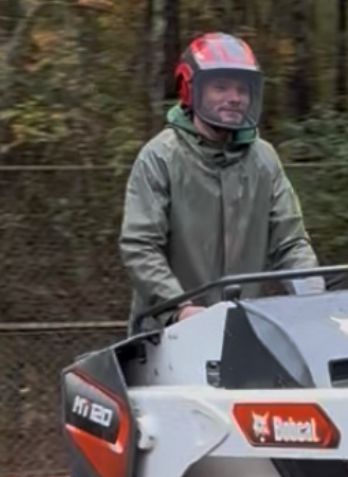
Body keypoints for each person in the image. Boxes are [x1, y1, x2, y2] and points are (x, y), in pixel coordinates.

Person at [119, 32, 321, 328]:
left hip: (240, 330)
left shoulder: (263, 159)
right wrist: (180, 308)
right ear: (192, 91)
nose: (234, 98)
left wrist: (313, 295)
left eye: (242, 89)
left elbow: (290, 242)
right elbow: (140, 246)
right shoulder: (161, 156)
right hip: (167, 333)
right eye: (221, 87)